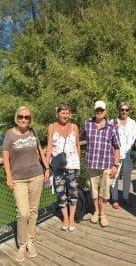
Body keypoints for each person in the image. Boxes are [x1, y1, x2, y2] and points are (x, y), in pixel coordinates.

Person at [2, 106, 50, 262]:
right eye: (21, 116)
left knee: (33, 210)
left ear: (30, 119)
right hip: (18, 179)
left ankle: (30, 241)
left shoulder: (33, 131)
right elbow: (6, 157)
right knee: (23, 213)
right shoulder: (9, 134)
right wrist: (8, 177)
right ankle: (22, 244)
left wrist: (46, 167)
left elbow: (39, 151)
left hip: (36, 175)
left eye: (27, 117)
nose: (24, 119)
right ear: (17, 117)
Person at [80, 100, 120, 227]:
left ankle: (103, 214)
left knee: (104, 192)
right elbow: (78, 138)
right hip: (91, 164)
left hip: (106, 165)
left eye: (101, 110)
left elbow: (117, 147)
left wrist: (115, 165)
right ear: (94, 111)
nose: (99, 112)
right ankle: (96, 212)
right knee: (93, 191)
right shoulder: (87, 124)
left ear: (105, 111)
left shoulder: (111, 127)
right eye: (97, 110)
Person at [45, 103, 81, 231]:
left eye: (67, 113)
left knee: (73, 192)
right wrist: (46, 165)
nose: (65, 115)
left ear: (69, 114)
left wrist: (78, 163)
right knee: (60, 193)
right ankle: (65, 218)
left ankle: (71, 218)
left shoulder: (74, 127)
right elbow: (49, 146)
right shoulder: (51, 127)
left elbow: (77, 145)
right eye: (62, 113)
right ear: (58, 113)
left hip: (73, 165)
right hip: (58, 166)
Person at [110, 101, 136, 209]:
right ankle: (115, 199)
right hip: (116, 154)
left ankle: (126, 197)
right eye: (122, 109)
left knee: (127, 177)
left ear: (129, 111)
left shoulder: (132, 122)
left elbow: (135, 138)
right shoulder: (112, 122)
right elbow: (110, 139)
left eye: (126, 110)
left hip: (129, 154)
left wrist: (135, 154)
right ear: (119, 110)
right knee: (115, 177)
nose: (124, 112)